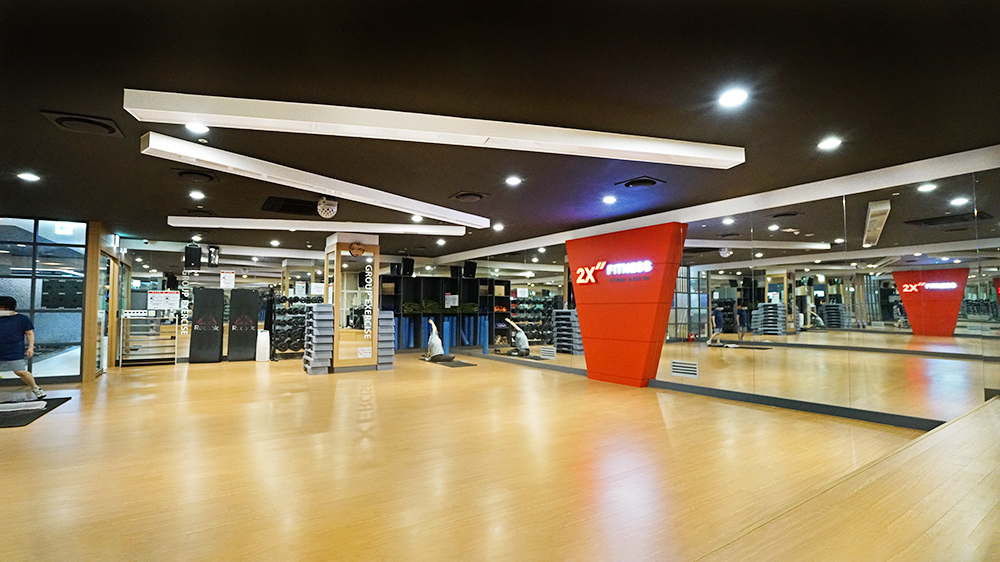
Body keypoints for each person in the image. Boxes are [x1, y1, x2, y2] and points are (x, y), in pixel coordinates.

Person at [0, 296, 46, 399]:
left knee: (20, 371)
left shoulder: (22, 319)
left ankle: (36, 388)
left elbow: (29, 334)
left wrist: (31, 347)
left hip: (13, 350)